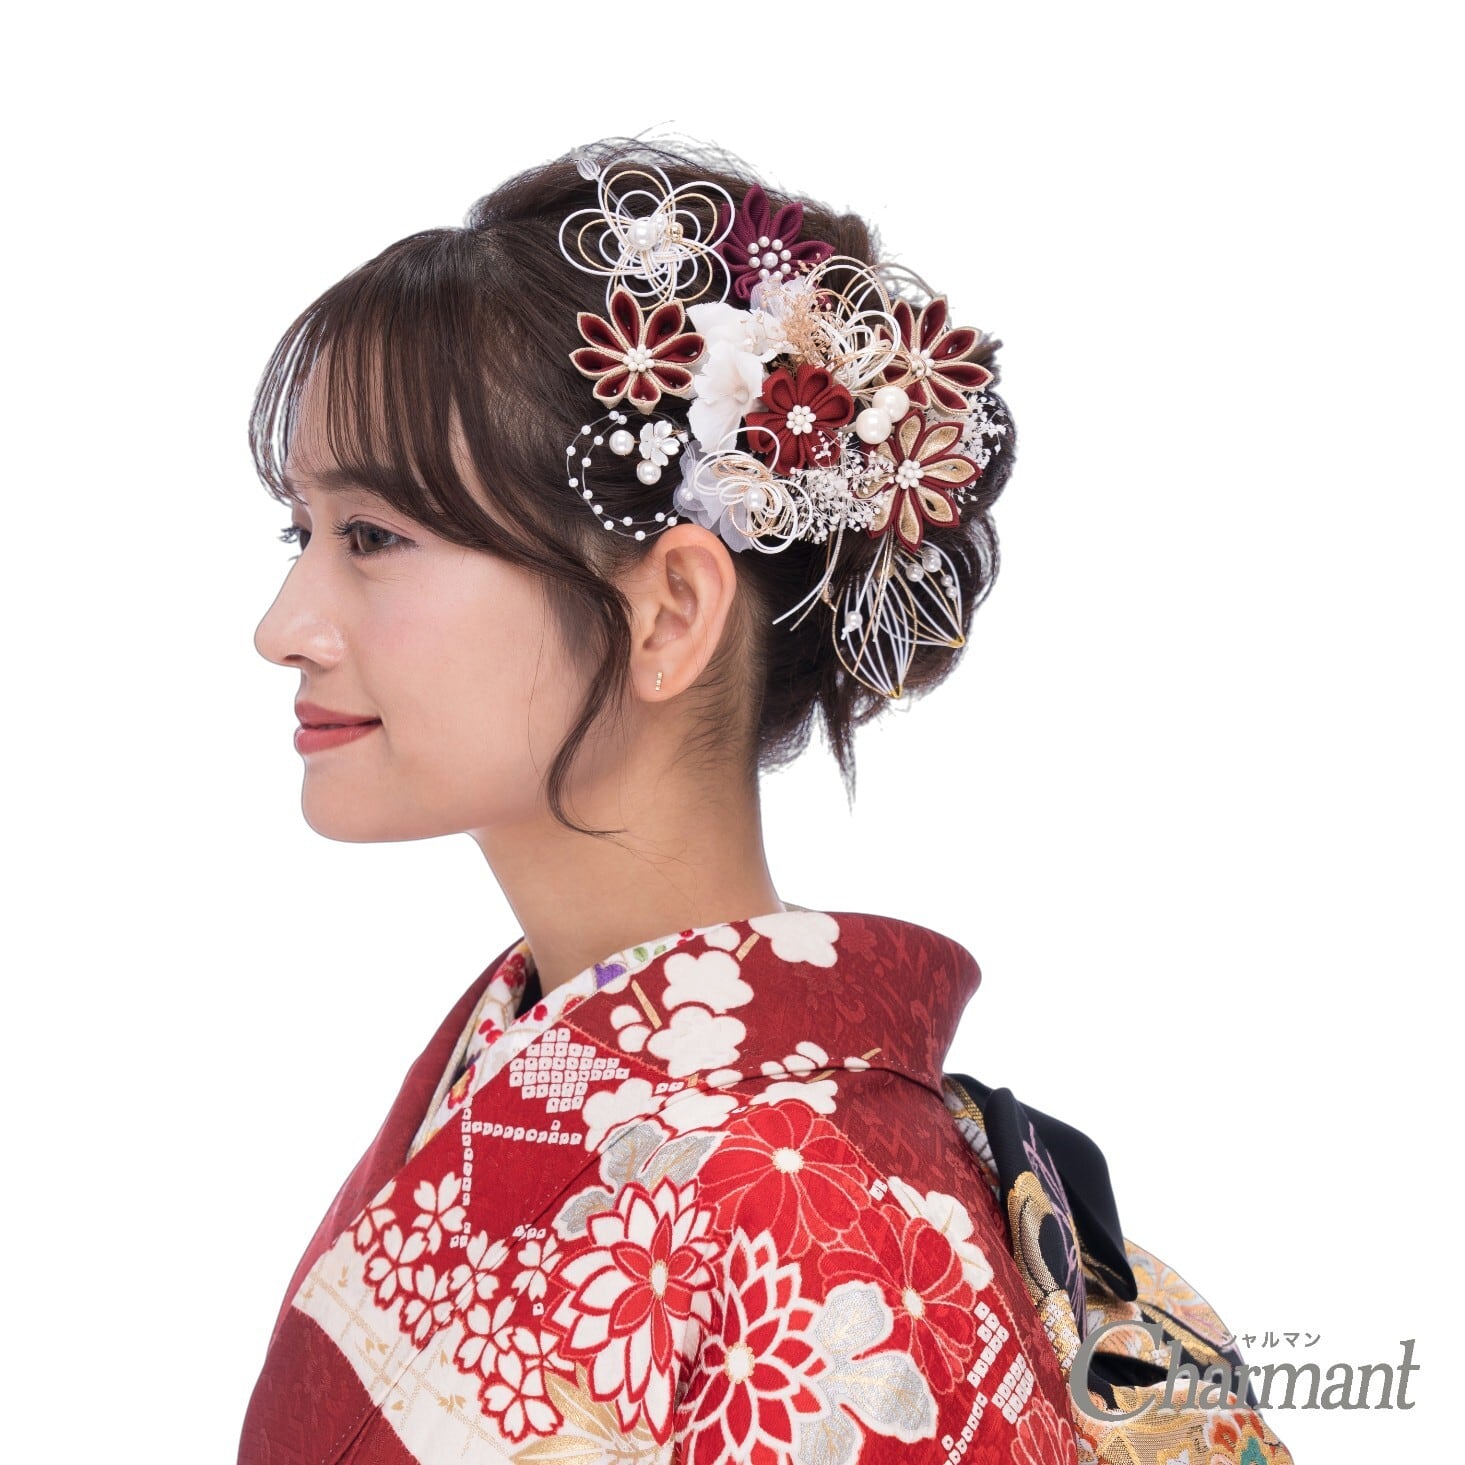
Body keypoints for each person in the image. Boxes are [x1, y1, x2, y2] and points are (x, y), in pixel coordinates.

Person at [238, 138, 1292, 1465]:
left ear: (668, 612)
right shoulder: (513, 1064)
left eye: (373, 537)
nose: (282, 628)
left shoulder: (830, 1224)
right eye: (303, 533)